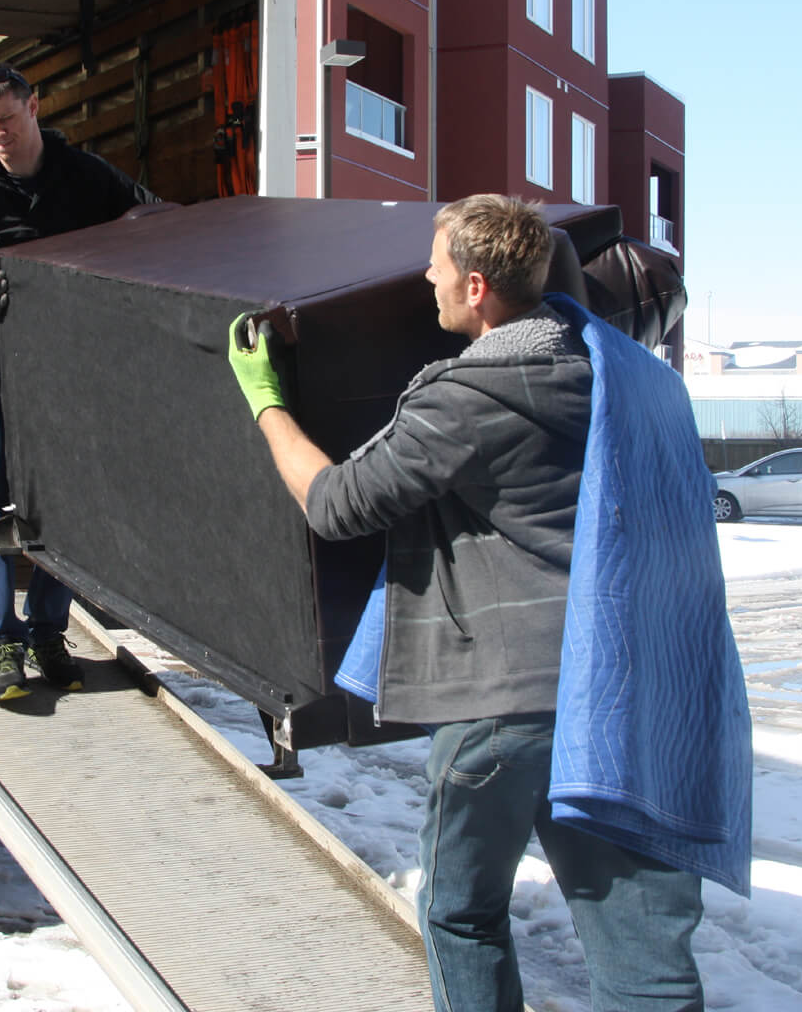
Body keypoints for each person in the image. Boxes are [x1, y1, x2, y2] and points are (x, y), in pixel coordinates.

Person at [227, 194, 745, 1012]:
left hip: (507, 701)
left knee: (462, 915)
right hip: (621, 693)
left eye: (434, 267)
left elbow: (336, 503)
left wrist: (267, 403)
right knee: (639, 953)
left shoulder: (469, 397)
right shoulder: (626, 376)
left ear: (475, 288)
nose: (422, 280)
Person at [0, 63, 157, 702]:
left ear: (34, 106)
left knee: (73, 489)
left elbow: (156, 221)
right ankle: (2, 640)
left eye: (6, 118)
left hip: (64, 363)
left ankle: (47, 630)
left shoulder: (85, 175)